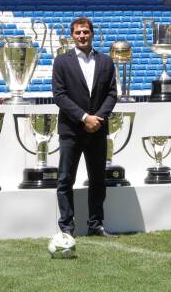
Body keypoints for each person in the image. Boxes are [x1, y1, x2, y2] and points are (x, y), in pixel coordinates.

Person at [52, 17, 118, 237]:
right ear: (72, 35)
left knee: (98, 180)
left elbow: (111, 93)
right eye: (78, 32)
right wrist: (83, 117)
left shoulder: (106, 62)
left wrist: (96, 118)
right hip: (71, 130)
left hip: (97, 129)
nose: (82, 36)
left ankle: (96, 225)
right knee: (65, 180)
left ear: (92, 34)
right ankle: (66, 229)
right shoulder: (61, 62)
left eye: (85, 32)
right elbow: (59, 96)